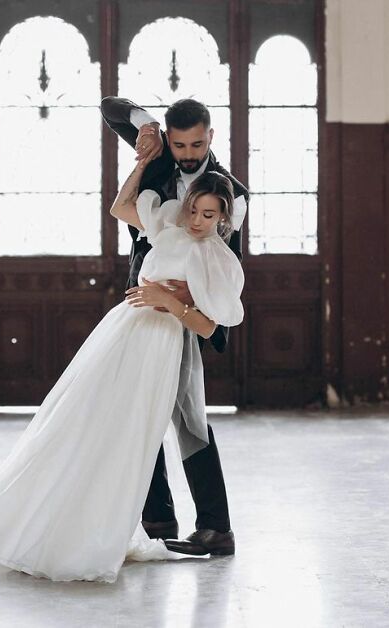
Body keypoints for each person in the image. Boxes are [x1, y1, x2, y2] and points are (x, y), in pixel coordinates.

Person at [0, 158, 245, 583]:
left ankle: (103, 531)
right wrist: (143, 161)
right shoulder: (167, 229)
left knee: (133, 436)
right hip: (122, 332)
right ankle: (41, 523)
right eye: (194, 209)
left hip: (161, 345)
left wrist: (172, 301)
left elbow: (211, 325)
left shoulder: (219, 259)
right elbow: (120, 206)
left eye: (209, 214)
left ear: (225, 216)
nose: (197, 220)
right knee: (81, 420)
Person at [100, 96, 249, 556]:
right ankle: (157, 517)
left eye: (197, 143)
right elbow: (111, 108)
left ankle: (215, 526)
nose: (187, 153)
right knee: (137, 411)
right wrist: (147, 130)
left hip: (184, 315)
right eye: (179, 143)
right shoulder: (159, 159)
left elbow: (220, 262)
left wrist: (189, 303)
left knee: (187, 417)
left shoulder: (230, 194)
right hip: (141, 306)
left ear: (212, 137)